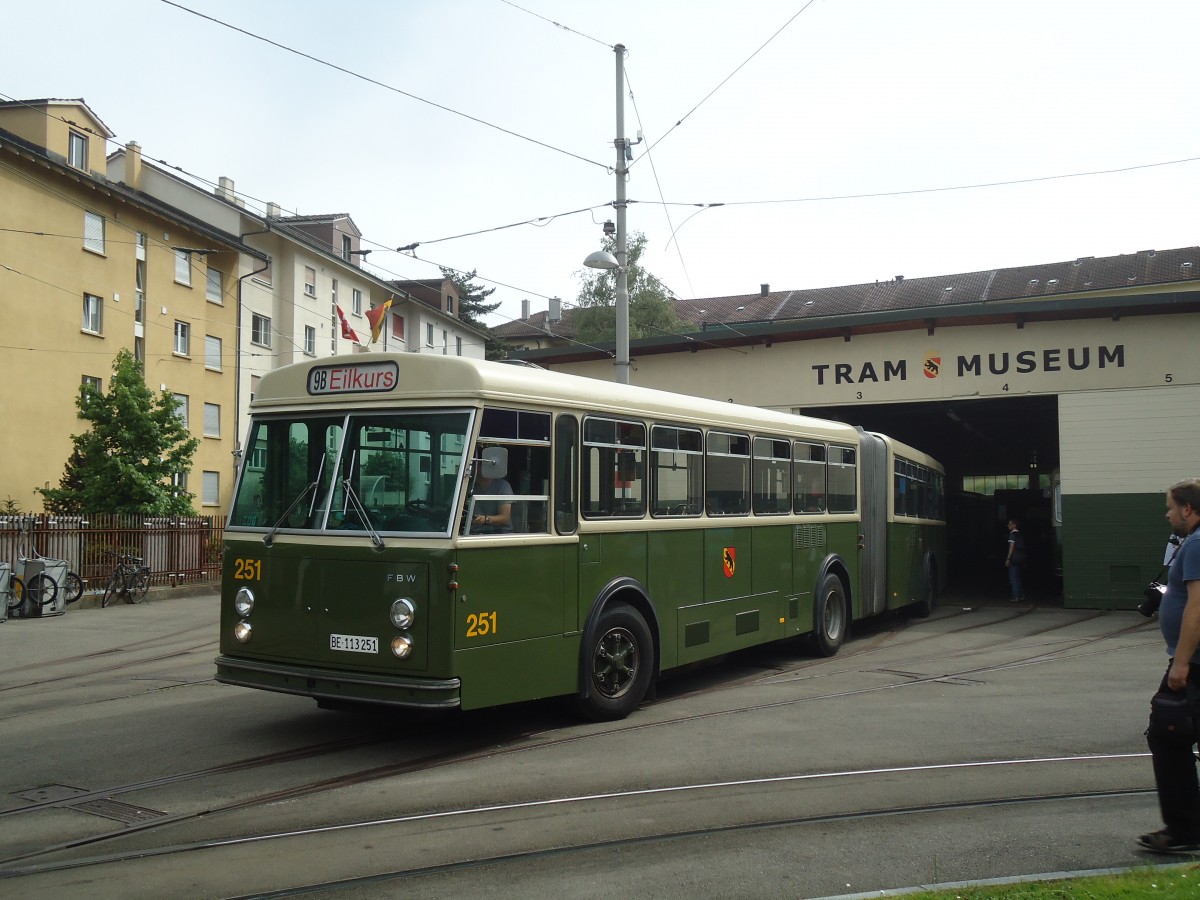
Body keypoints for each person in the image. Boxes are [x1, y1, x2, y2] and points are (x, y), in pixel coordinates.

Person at [1140, 477, 1200, 854]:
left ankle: (1184, 828)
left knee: (1166, 735)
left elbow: (1197, 606)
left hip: (1193, 663)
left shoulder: (1195, 544)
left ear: (1188, 509)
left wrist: (1181, 663)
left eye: (1170, 507)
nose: (1167, 514)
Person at [470, 466, 513, 534]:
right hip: (474, 531)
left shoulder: (503, 486)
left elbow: (505, 517)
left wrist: (485, 519)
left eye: (480, 465)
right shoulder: (469, 486)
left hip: (499, 533)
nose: (475, 468)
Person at [1004, 518, 1026, 602]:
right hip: (1021, 557)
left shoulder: (1012, 535)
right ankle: (1021, 595)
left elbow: (1011, 547)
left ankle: (1015, 596)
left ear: (1014, 525)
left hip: (1014, 557)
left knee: (1013, 577)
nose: (1008, 526)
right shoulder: (1020, 534)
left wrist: (1008, 558)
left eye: (1009, 524)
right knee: (1019, 577)